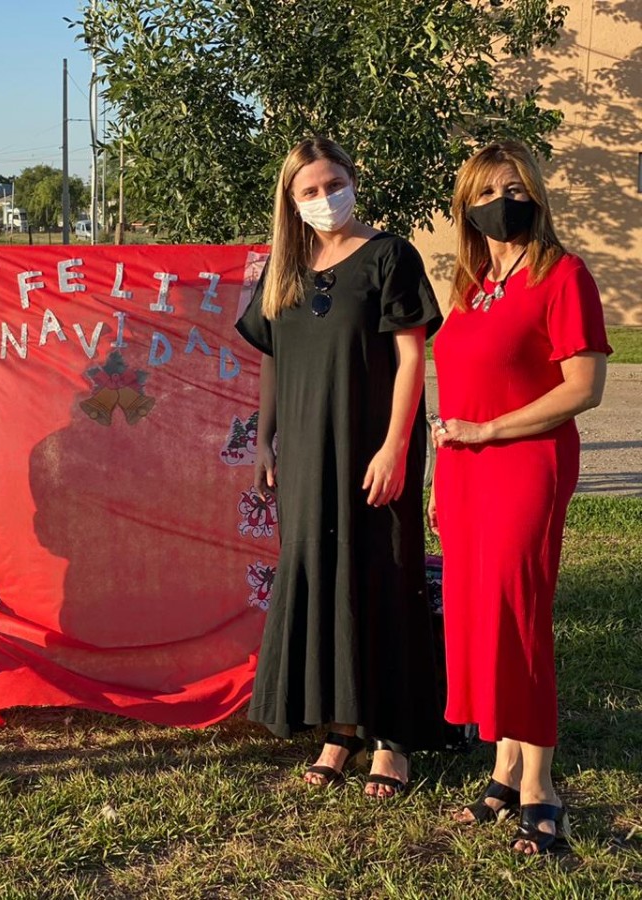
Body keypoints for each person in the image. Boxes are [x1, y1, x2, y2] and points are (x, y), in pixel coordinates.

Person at [235, 137, 444, 798]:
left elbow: (412, 359)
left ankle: (394, 738)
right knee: (320, 583)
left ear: (354, 180)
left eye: (334, 184)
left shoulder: (392, 256)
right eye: (310, 191)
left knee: (382, 576)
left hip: (373, 452)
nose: (326, 199)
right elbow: (271, 355)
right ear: (291, 203)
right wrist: (265, 440)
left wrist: (395, 447)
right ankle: (339, 728)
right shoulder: (284, 267)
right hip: (303, 454)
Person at [430, 141, 610, 855]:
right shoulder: (471, 286)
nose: (504, 200)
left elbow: (583, 387)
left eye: (516, 186)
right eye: (487, 190)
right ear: (466, 207)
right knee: (478, 617)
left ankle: (541, 784)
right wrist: (447, 474)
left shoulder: (563, 275)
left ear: (535, 194)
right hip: (465, 473)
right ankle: (502, 766)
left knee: (518, 613)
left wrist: (491, 430)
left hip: (524, 465)